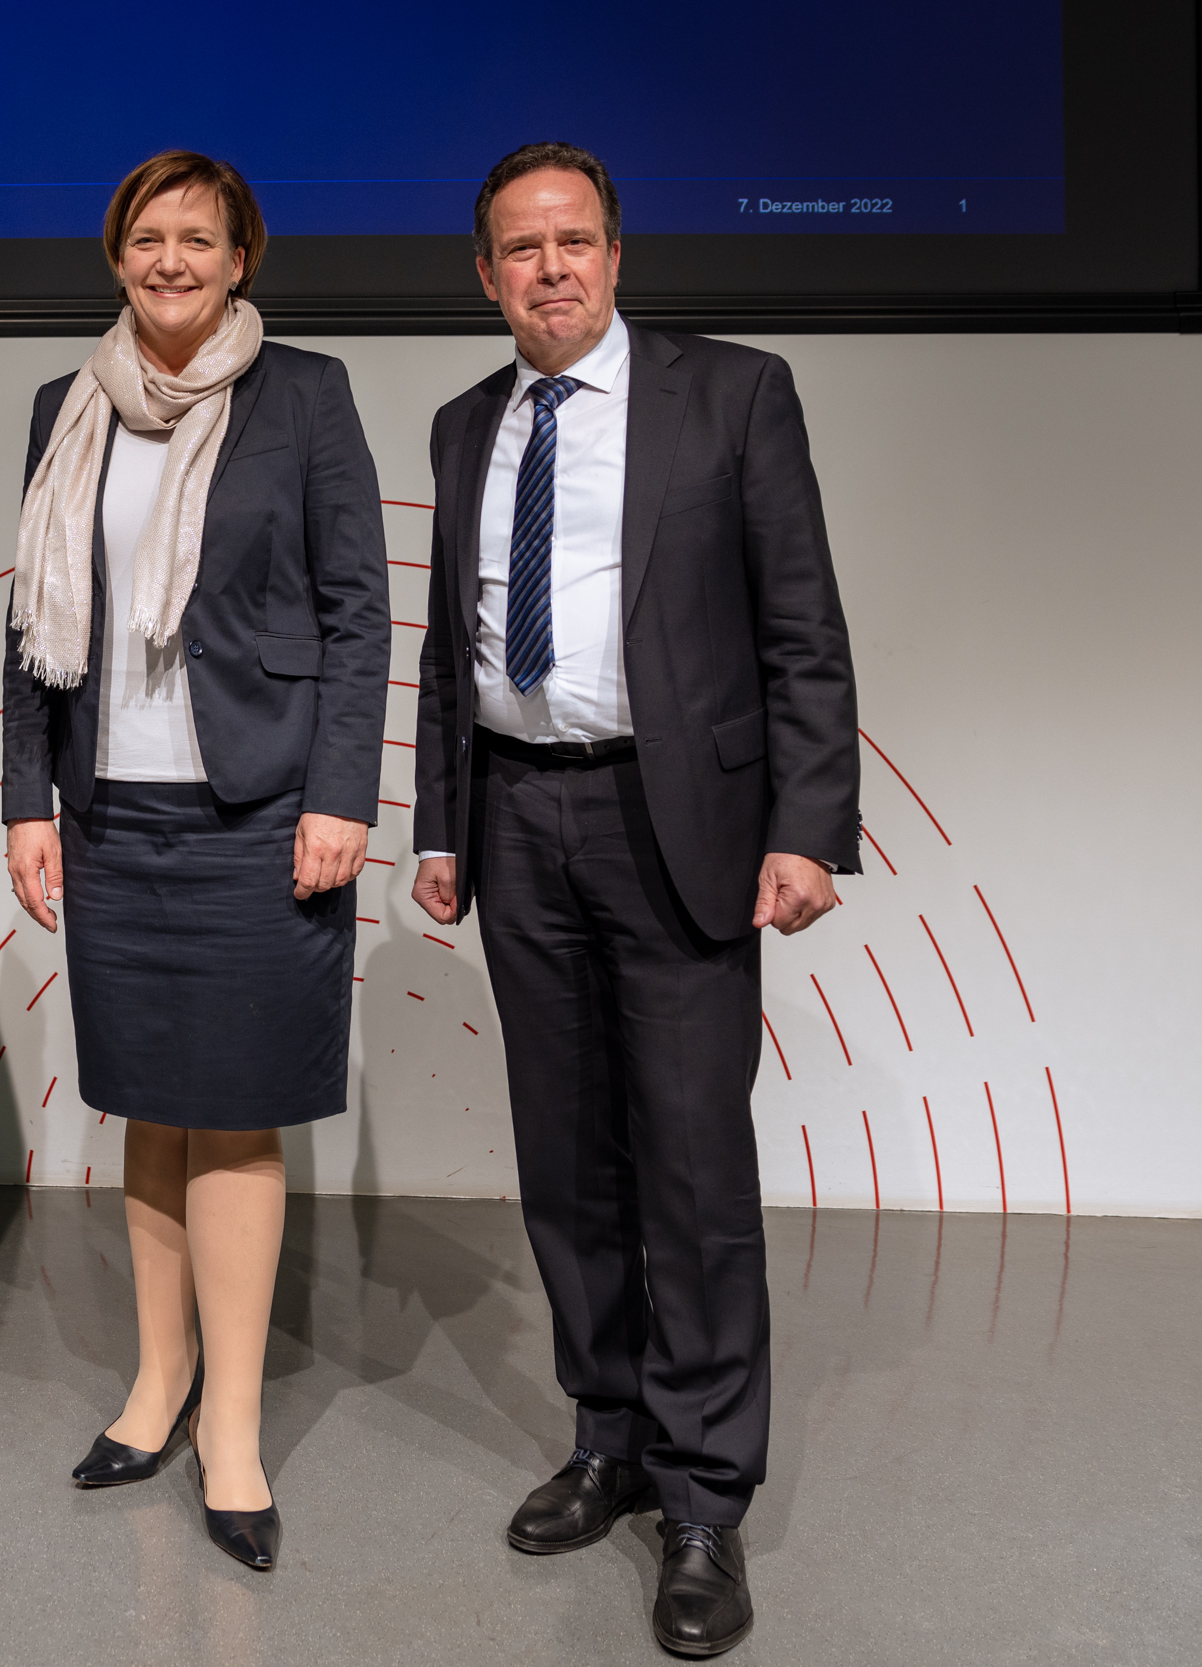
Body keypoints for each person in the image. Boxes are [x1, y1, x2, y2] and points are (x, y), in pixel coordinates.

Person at [410, 143, 860, 1657]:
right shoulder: (465, 423)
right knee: (568, 1162)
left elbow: (803, 628)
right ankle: (607, 1435)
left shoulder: (732, 394)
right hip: (520, 819)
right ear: (486, 277)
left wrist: (810, 828)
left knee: (689, 1174)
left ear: (616, 255)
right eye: (521, 248)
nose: (551, 266)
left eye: (576, 239)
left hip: (679, 821)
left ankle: (707, 1497)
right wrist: (441, 823)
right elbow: (449, 648)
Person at [2, 151, 388, 1570]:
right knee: (150, 1105)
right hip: (112, 812)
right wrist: (25, 800)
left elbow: (357, 615)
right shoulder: (67, 406)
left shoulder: (308, 395)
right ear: (117, 256)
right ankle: (155, 1382)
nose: (171, 260)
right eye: (147, 238)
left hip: (259, 809)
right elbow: (33, 624)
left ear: (242, 260)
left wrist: (341, 793)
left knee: (233, 1111)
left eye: (199, 240)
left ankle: (232, 1427)